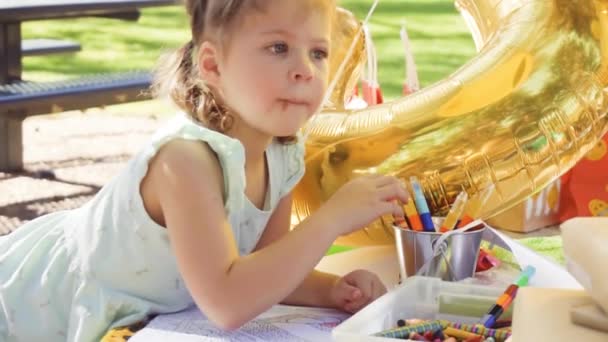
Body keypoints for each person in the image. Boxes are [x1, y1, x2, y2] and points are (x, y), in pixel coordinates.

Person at [0, 0, 410, 340]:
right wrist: (332, 219)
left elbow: (269, 266)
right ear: (213, 66)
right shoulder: (186, 160)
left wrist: (334, 290)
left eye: (317, 52)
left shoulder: (283, 153)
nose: (305, 68)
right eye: (278, 48)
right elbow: (228, 302)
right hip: (37, 303)